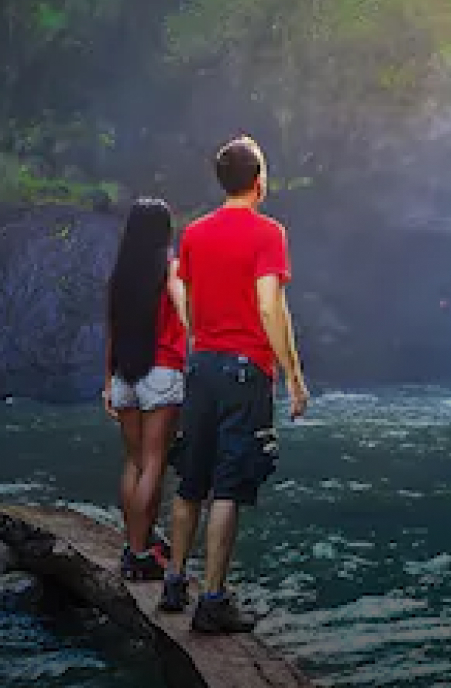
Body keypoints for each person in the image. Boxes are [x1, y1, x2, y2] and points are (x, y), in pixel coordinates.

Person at [159, 134, 309, 633]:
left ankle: (175, 582)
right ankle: (214, 600)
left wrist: (199, 337)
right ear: (259, 179)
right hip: (246, 370)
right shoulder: (269, 233)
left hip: (201, 365)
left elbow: (184, 291)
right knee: (228, 485)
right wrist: (293, 373)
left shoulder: (196, 234)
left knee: (191, 479)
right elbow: (270, 304)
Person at [103, 198, 189, 581]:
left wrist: (107, 381)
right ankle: (140, 554)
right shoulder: (170, 269)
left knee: (134, 462)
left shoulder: (121, 275)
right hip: (162, 372)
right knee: (155, 464)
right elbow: (184, 309)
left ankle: (133, 543)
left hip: (125, 375)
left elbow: (113, 331)